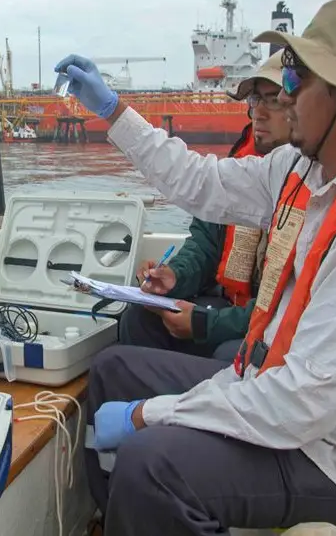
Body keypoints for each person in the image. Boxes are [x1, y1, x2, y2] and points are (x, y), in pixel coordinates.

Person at [55, 0, 336, 535]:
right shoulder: (304, 170)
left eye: (296, 77)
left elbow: (300, 404)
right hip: (273, 388)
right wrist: (113, 111)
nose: (285, 94)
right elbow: (200, 183)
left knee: (151, 464)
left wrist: (145, 416)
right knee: (115, 370)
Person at [119, 50, 292, 361]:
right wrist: (174, 275)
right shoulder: (240, 166)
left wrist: (208, 324)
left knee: (231, 352)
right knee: (138, 318)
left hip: (270, 325)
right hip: (231, 306)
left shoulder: (310, 186)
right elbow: (205, 243)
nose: (259, 113)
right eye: (255, 100)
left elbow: (289, 304)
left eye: (274, 100)